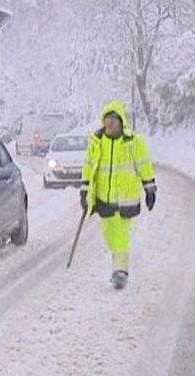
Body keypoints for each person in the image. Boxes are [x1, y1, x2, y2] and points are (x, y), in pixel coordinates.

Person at [80, 100, 157, 289]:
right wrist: (84, 190)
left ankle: (120, 271)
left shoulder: (133, 143)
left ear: (121, 121)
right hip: (103, 199)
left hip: (125, 198)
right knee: (109, 234)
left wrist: (149, 187)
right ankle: (118, 263)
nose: (111, 123)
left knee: (121, 233)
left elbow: (144, 164)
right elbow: (89, 167)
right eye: (108, 120)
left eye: (114, 119)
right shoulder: (97, 143)